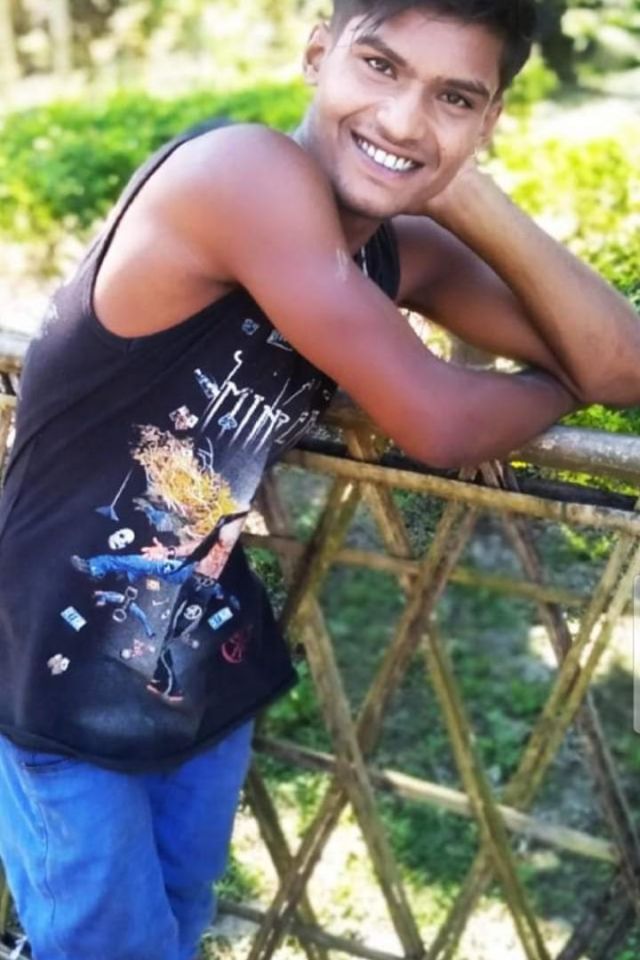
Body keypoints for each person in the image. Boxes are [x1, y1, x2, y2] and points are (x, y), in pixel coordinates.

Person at [0, 1, 638, 958]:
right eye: (381, 66)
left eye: (455, 98)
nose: (404, 120)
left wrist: (468, 195)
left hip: (199, 657)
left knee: (179, 917)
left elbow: (621, 362)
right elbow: (440, 420)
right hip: (52, 669)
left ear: (489, 119)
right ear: (316, 53)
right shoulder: (238, 174)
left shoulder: (391, 250)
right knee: (103, 945)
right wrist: (556, 384)